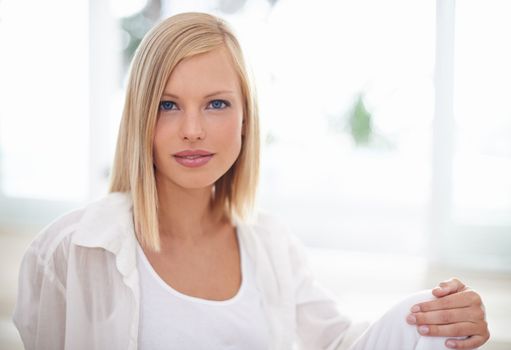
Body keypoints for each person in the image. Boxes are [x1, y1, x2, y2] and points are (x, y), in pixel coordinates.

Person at [12, 12, 489, 350]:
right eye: (168, 104)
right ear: (139, 118)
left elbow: (343, 343)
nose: (192, 129)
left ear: (245, 120)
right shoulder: (70, 250)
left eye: (216, 104)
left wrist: (439, 315)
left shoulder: (272, 245)